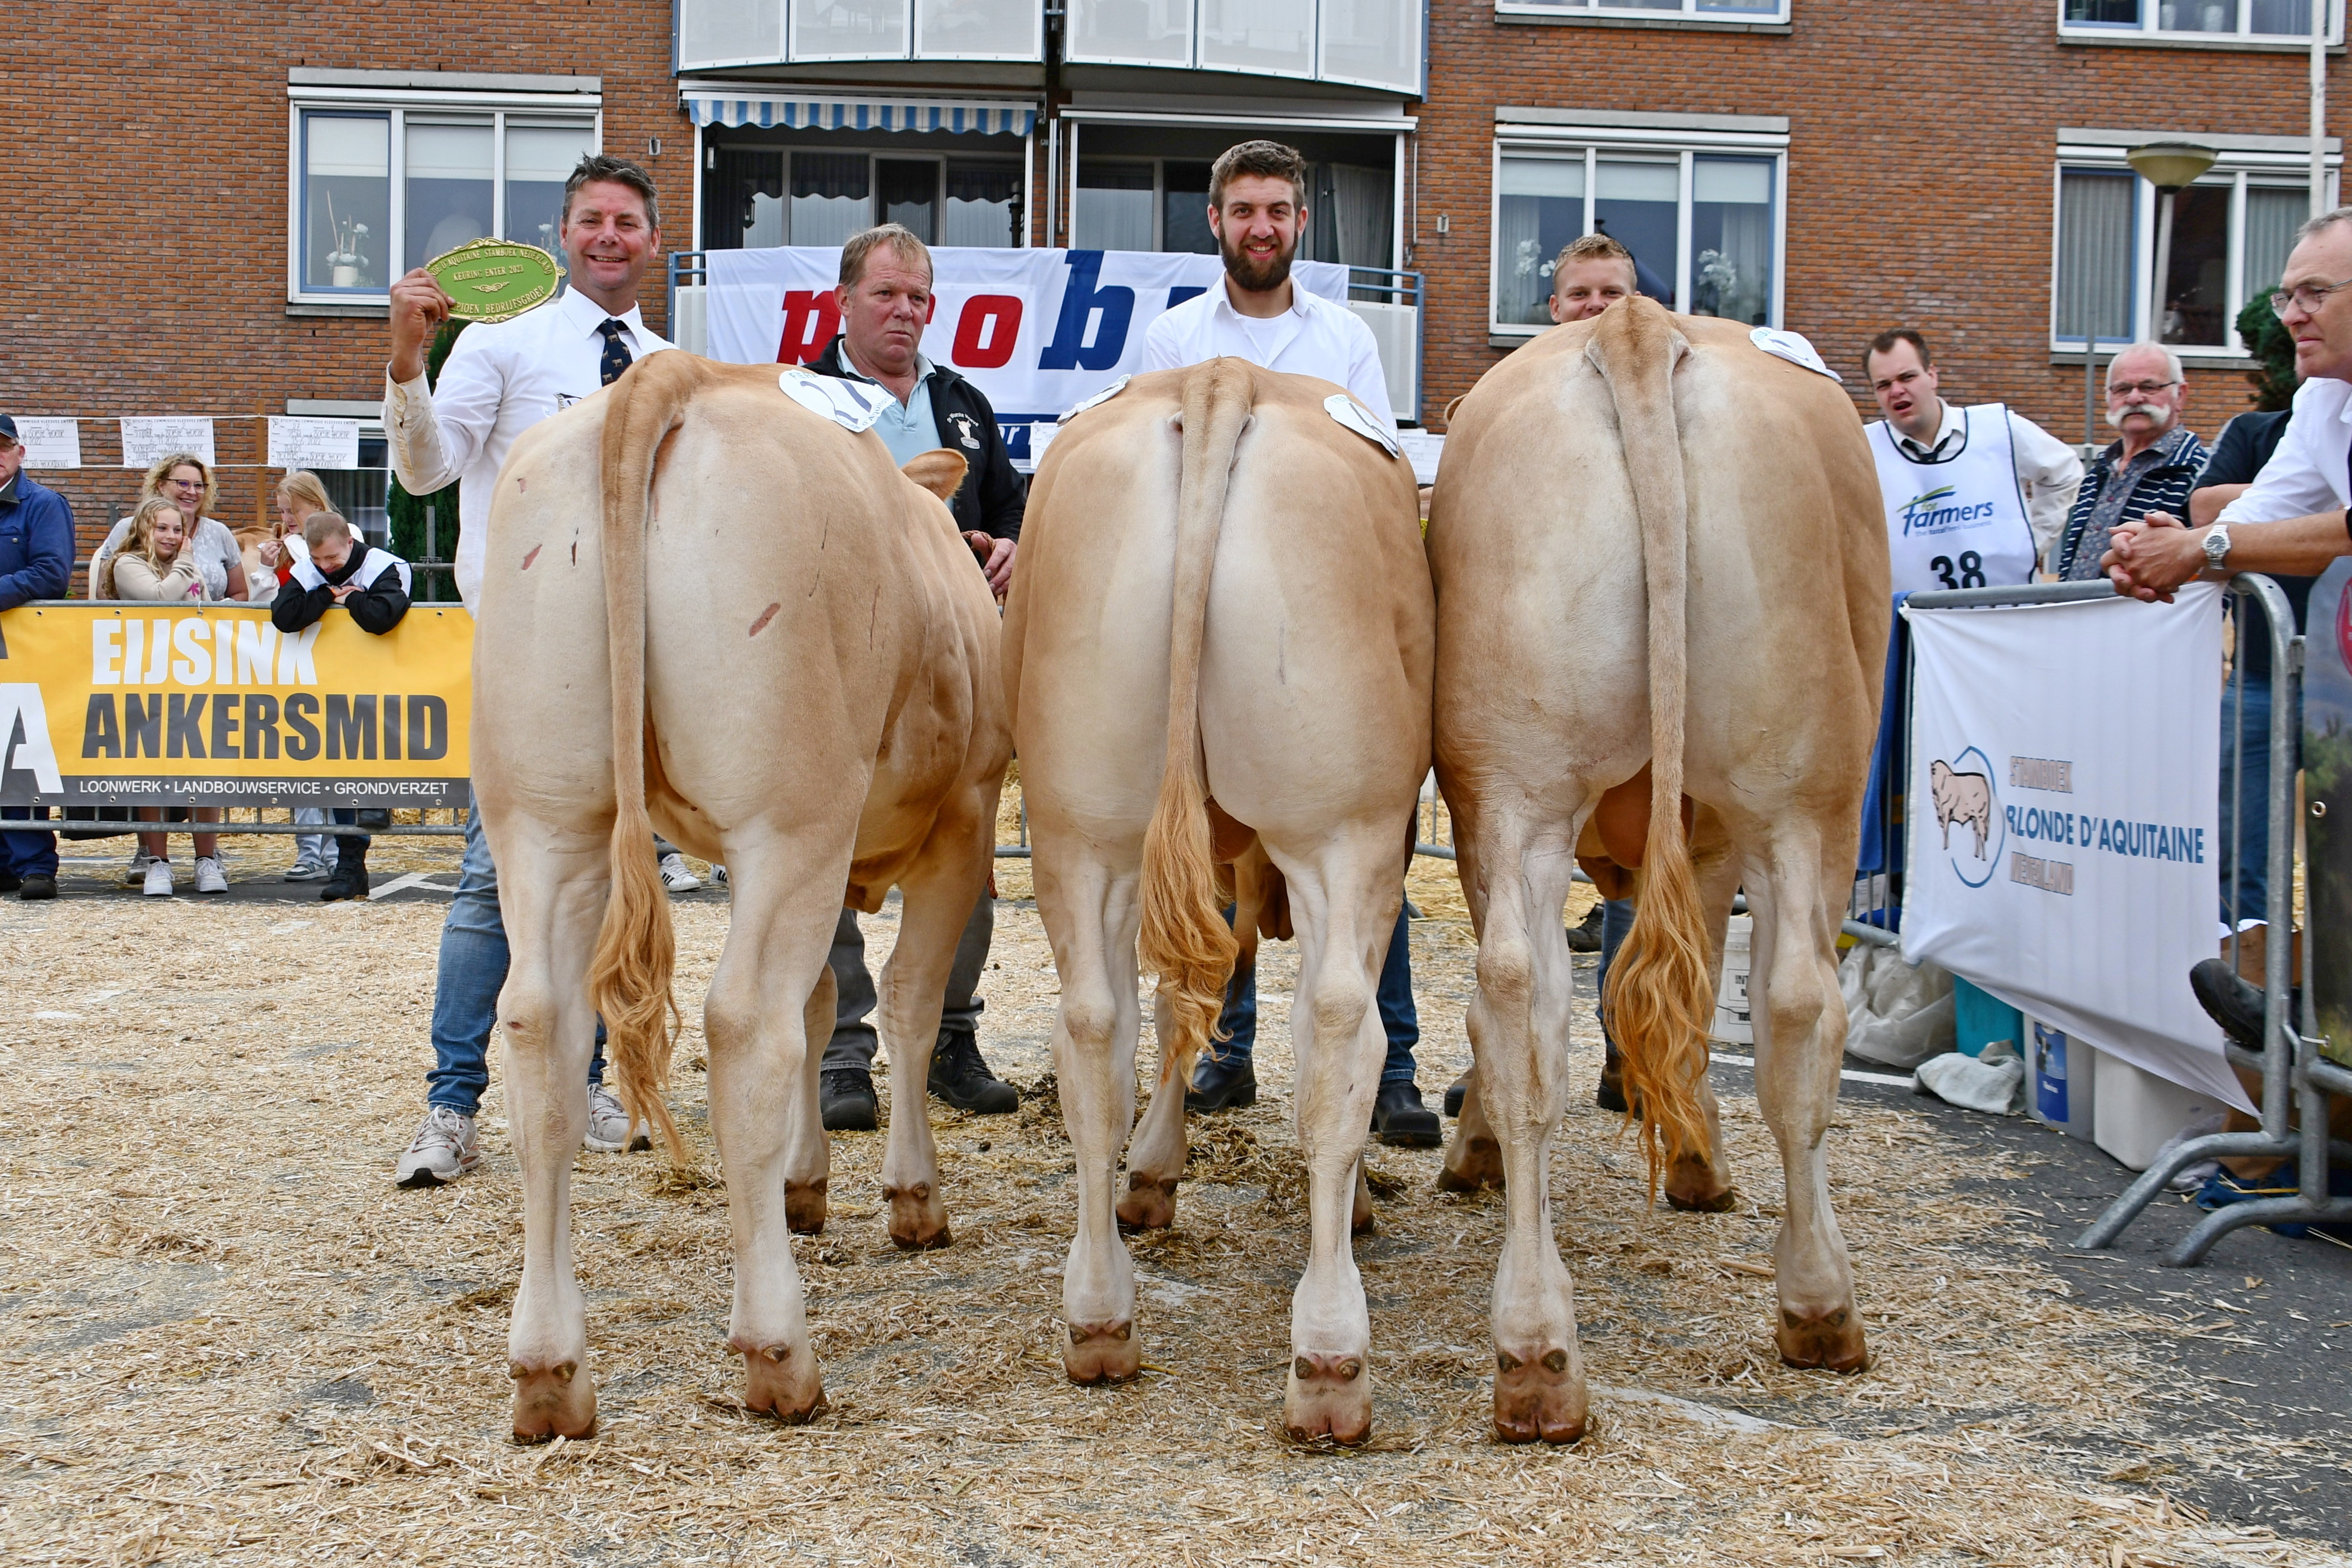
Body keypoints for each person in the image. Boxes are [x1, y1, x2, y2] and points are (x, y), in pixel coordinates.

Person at [1138, 138, 1441, 1147]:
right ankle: (1224, 1053)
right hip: (1206, 614)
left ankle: (1389, 1068)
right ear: (1215, 222)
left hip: (1324, 620)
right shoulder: (1173, 335)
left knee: (1368, 845)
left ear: (1302, 222)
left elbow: (1380, 474)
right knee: (1211, 840)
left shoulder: (1344, 336)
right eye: (1244, 210)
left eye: (1277, 210)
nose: (1260, 227)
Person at [382, 152, 671, 1185]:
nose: (608, 236)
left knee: (611, 873)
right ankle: (452, 1105)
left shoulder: (668, 366)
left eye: (626, 221)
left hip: (640, 659)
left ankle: (585, 1082)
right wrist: (407, 361)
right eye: (592, 219)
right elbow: (426, 470)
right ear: (563, 235)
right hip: (527, 651)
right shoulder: (501, 341)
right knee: (488, 876)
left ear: (652, 240)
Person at [804, 222, 1025, 1131]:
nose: (904, 311)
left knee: (966, 840)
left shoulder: (962, 401)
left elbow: (1011, 503)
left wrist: (1007, 542)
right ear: (843, 302)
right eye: (886, 294)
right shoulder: (802, 400)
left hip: (956, 663)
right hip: (837, 660)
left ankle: (948, 1038)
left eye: (918, 298)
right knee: (820, 848)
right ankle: (842, 1053)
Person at [96, 451, 250, 890]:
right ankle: (156, 858)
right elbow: (161, 597)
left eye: (178, 530)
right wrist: (186, 560)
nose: (172, 535)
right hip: (146, 671)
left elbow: (215, 602)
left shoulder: (212, 541)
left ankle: (206, 858)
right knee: (153, 766)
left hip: (201, 671)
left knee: (206, 764)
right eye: (162, 529)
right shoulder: (130, 559)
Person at [1862, 328, 2083, 593]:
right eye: (1884, 385)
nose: (1897, 391)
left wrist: (2031, 542)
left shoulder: (1998, 428)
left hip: (2008, 609)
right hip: (1917, 615)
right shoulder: (1863, 449)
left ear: (1932, 375)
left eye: (1907, 377)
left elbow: (2066, 472)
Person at [272, 511, 413, 903]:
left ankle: (358, 851)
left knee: (371, 768)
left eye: (333, 558)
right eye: (318, 560)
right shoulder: (309, 569)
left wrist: (349, 598)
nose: (326, 567)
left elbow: (382, 618)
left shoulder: (386, 565)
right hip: (332, 686)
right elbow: (283, 616)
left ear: (350, 542)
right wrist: (327, 595)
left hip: (386, 685)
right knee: (340, 774)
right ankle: (350, 866)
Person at [2051, 343, 2207, 582]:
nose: (2134, 398)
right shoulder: (2099, 471)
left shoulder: (2199, 472)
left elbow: (2210, 570)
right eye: (2122, 389)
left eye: (2149, 387)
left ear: (2180, 395)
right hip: (2076, 607)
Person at [0, 413, 71, 902]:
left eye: (2, 447)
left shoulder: (43, 505)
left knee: (20, 757)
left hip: (23, 655)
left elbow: (51, 573)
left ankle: (34, 864)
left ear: (20, 453)